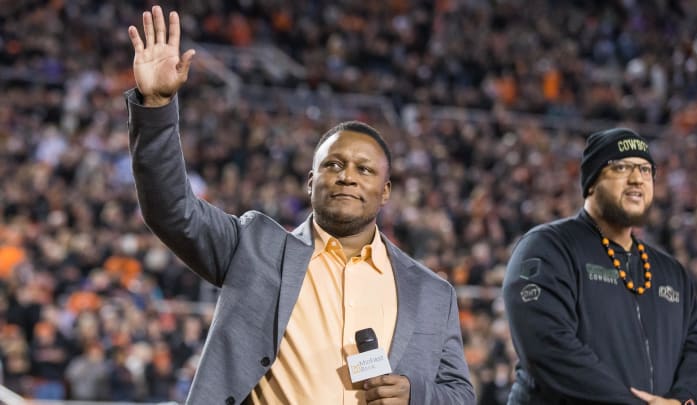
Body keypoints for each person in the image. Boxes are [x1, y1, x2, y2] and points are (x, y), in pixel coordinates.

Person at [125, 6, 475, 405]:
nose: (347, 176)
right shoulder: (253, 248)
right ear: (311, 183)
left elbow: (461, 395)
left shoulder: (432, 293)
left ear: (386, 191)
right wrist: (155, 107)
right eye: (334, 165)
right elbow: (171, 210)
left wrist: (416, 394)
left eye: (364, 170)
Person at [502, 127, 697, 404]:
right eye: (621, 168)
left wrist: (682, 401)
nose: (636, 179)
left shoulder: (672, 272)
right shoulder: (548, 248)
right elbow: (548, 348)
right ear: (591, 182)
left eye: (645, 170)